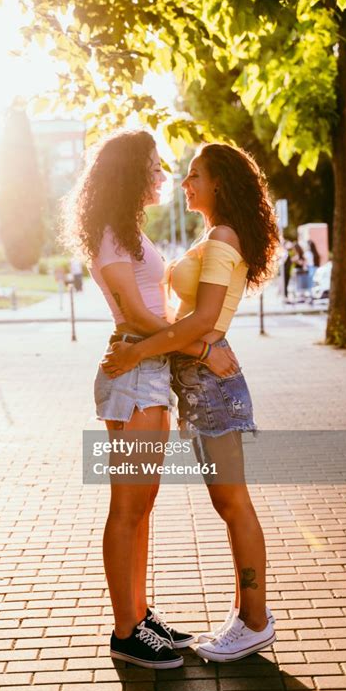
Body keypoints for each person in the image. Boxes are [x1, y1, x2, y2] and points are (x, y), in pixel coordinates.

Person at [63, 130, 238, 670]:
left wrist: (179, 344)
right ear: (130, 173)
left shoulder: (128, 234)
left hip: (148, 372)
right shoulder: (112, 236)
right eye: (154, 167)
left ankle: (139, 616)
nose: (163, 175)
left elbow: (148, 317)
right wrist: (203, 345)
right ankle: (125, 632)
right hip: (135, 377)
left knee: (142, 507)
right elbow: (136, 317)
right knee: (128, 507)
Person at [102, 142, 280, 662]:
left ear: (219, 182)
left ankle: (255, 621)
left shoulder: (223, 237)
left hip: (212, 386)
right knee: (227, 503)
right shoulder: (213, 237)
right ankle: (245, 615)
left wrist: (138, 353)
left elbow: (203, 321)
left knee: (233, 503)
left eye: (195, 175)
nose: (185, 183)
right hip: (198, 384)